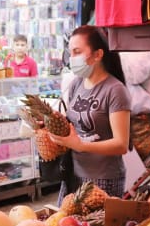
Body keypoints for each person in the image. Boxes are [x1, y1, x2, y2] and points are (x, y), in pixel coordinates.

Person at [49, 25, 131, 198]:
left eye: (77, 52)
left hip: (103, 179)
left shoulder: (115, 90)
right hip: (73, 174)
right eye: (70, 53)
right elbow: (74, 123)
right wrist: (51, 125)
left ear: (98, 54)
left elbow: (121, 144)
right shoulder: (76, 84)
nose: (72, 58)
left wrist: (81, 145)